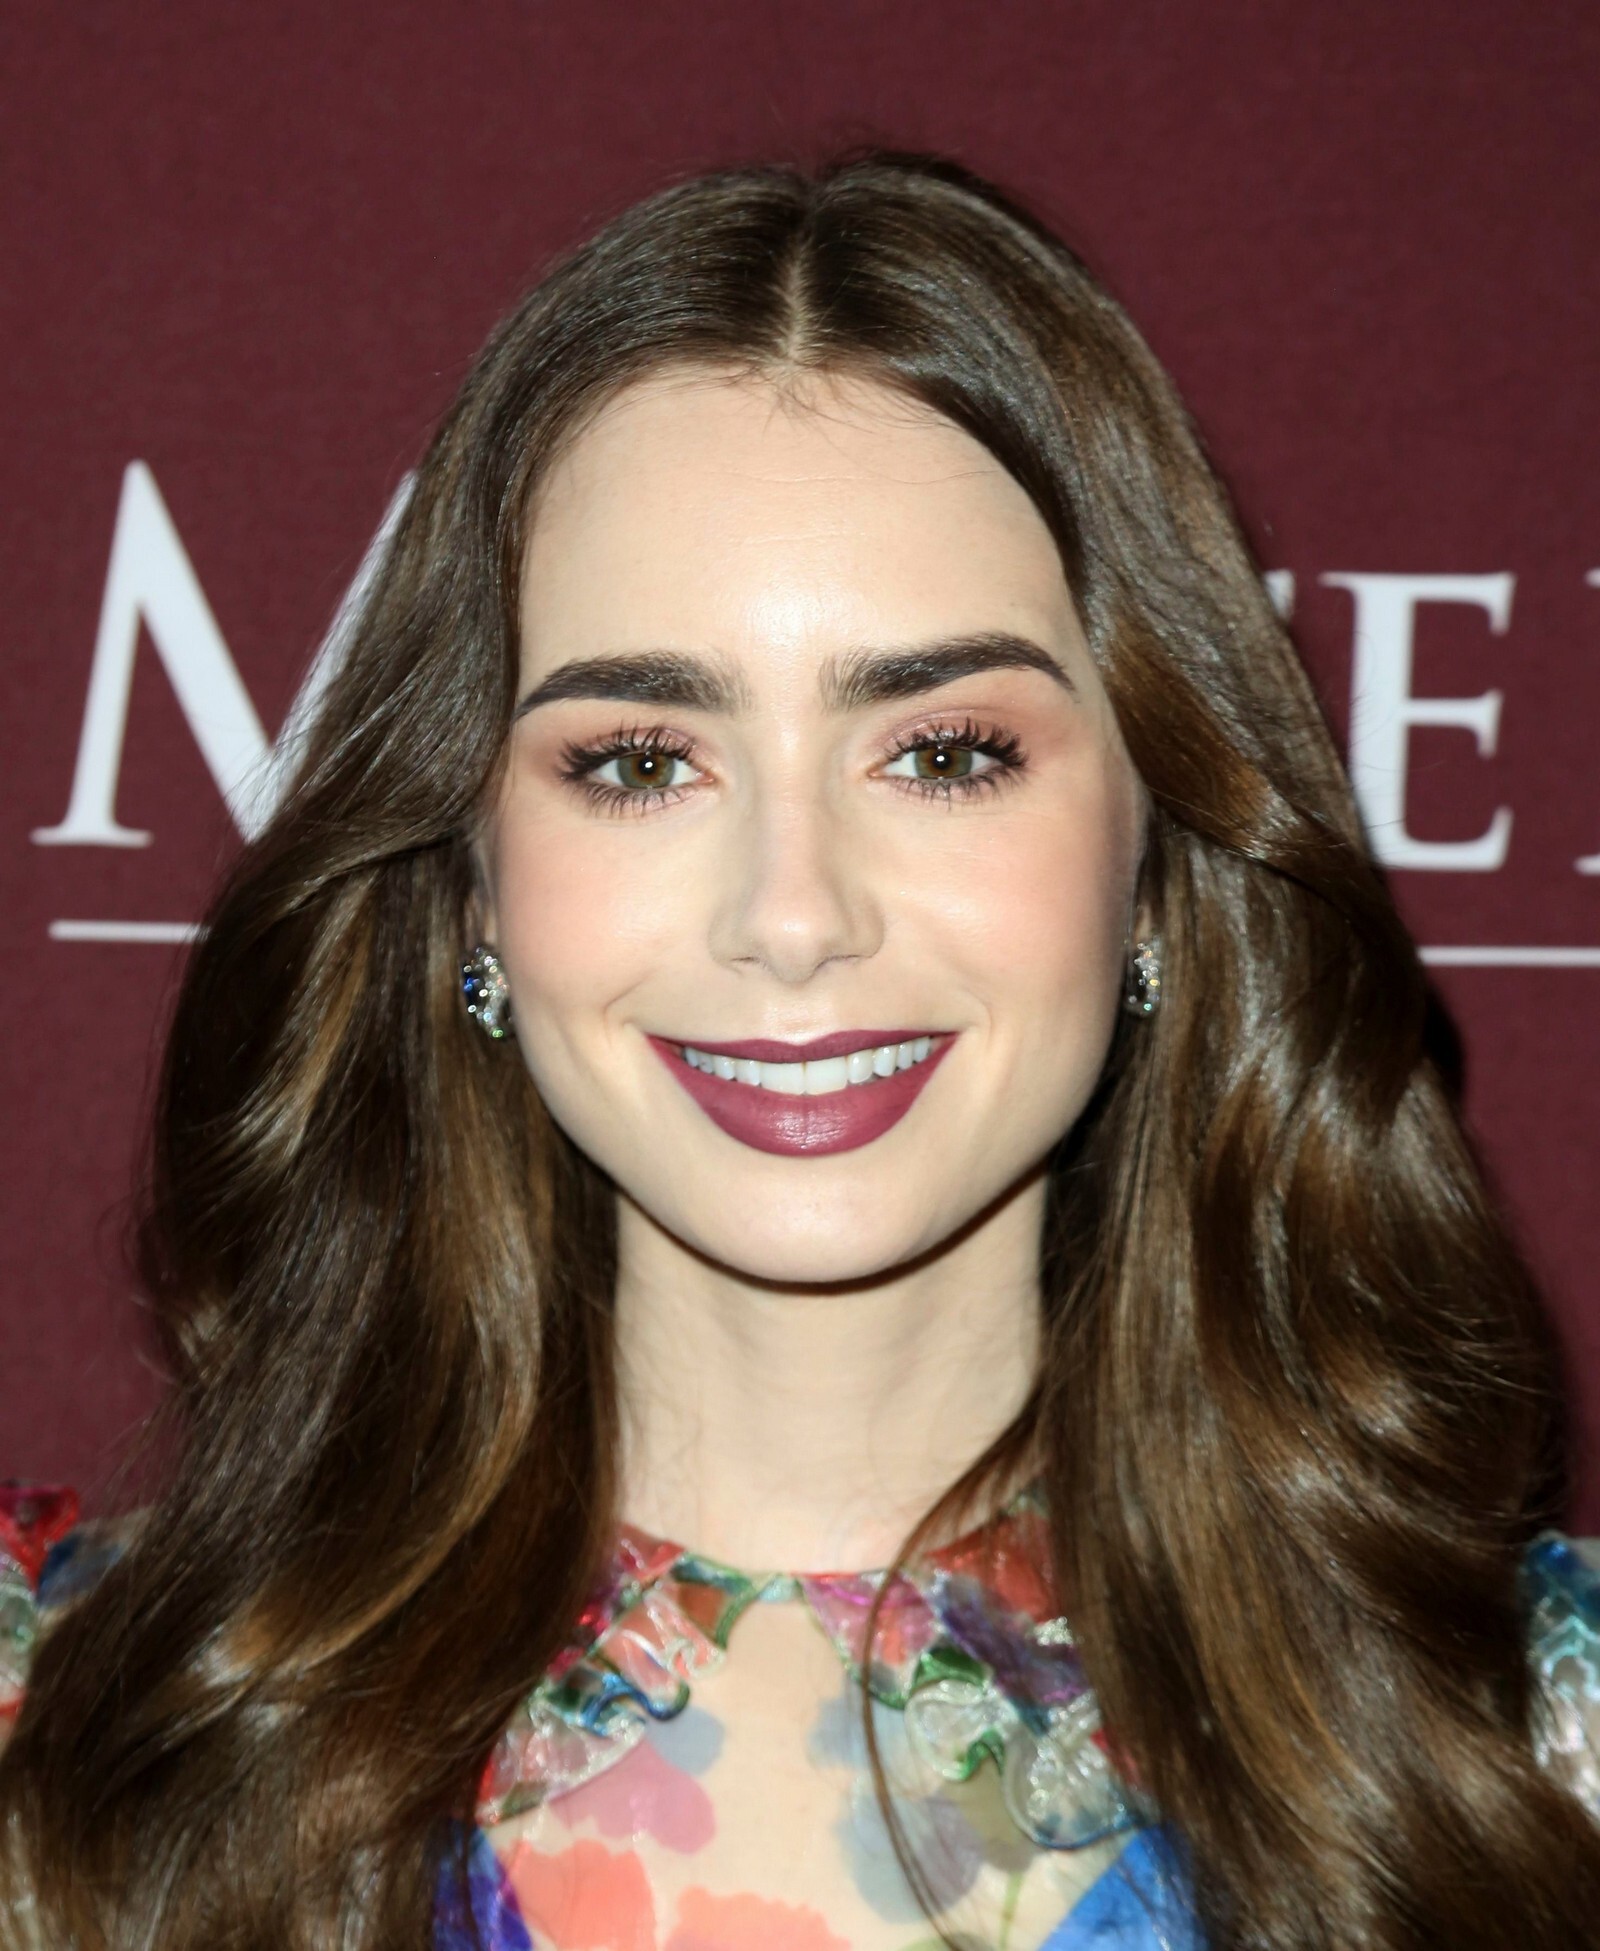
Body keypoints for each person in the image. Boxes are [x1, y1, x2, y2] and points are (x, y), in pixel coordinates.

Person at [2, 151, 1597, 1951]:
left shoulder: (1537, 1752)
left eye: (942, 753)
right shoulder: (64, 1733)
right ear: (472, 889)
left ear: (1157, 858)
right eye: (639, 761)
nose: (791, 913)